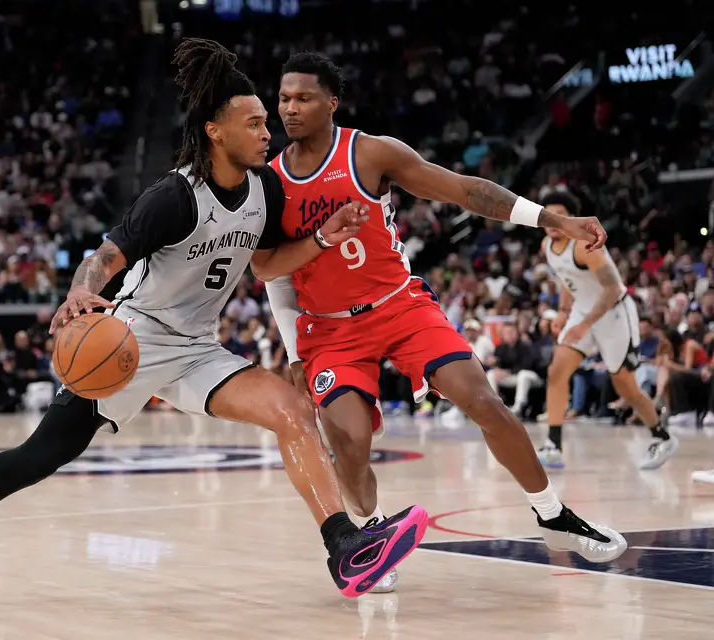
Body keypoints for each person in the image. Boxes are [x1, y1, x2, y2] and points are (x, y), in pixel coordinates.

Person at [0, 39, 428, 617]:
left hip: (197, 348)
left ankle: (344, 548)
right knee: (38, 457)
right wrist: (82, 289)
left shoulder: (265, 188)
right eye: (253, 122)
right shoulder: (175, 197)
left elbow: (267, 264)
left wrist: (324, 238)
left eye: (265, 122)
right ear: (215, 131)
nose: (267, 132)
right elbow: (105, 259)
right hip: (133, 340)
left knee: (291, 411)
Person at [263, 52, 627, 588]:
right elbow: (275, 276)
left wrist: (551, 220)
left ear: (331, 102)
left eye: (303, 98)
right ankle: (367, 539)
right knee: (350, 443)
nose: (290, 109)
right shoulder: (269, 183)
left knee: (483, 399)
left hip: (399, 305)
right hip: (330, 328)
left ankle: (553, 515)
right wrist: (294, 353)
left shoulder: (370, 153)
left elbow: (464, 190)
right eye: (284, 98)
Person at [538, 191, 676, 469]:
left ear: (572, 218)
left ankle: (661, 437)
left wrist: (584, 324)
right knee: (557, 371)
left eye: (560, 214)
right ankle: (553, 445)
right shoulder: (547, 245)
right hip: (582, 310)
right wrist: (565, 313)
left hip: (613, 312)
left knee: (625, 386)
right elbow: (568, 279)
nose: (553, 221)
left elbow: (613, 289)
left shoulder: (584, 245)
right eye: (548, 215)